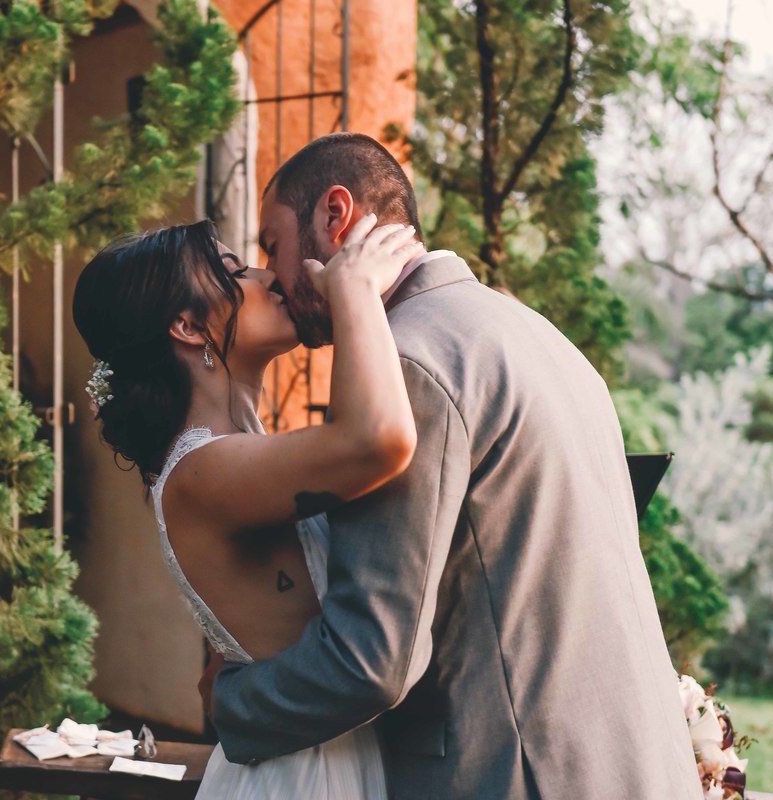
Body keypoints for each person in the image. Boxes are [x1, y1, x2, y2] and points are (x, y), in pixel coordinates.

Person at [204, 132, 703, 799]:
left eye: (273, 244)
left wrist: (232, 702)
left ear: (334, 215)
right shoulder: (542, 339)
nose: (271, 274)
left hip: (517, 775)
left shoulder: (407, 364)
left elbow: (371, 659)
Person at [72, 215, 425, 798]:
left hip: (326, 750)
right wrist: (355, 289)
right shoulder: (200, 471)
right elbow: (377, 440)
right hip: (307, 774)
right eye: (234, 272)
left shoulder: (238, 455)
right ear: (187, 326)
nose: (267, 276)